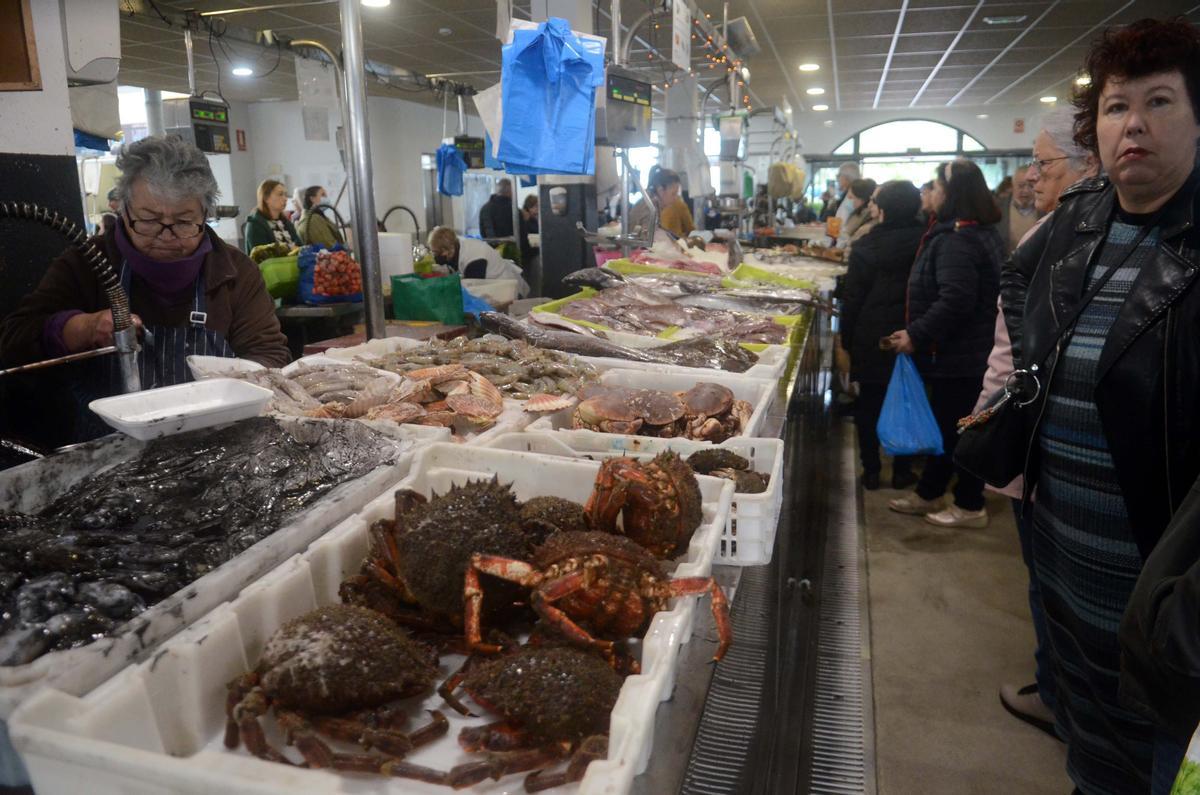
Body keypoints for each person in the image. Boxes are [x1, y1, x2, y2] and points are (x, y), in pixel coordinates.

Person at [999, 17, 1200, 794]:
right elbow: (1018, 282)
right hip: (1067, 579)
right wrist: (1030, 377)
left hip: (1167, 614)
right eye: (1117, 107)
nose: (1135, 125)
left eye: (1161, 102)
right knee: (1092, 768)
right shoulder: (1080, 220)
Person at [0, 136, 290, 442]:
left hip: (218, 442)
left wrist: (233, 394)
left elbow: (268, 354)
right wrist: (80, 329)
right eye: (149, 220)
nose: (166, 235)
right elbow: (13, 340)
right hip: (108, 454)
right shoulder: (86, 264)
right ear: (124, 210)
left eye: (183, 222)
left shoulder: (236, 273)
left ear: (205, 214)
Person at [975, 105, 1100, 739]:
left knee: (1055, 583)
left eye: (1043, 164)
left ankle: (1059, 695)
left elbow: (1018, 347)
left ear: (1090, 166)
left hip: (1054, 449)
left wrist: (989, 411)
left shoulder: (1055, 241)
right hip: (1049, 443)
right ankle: (1063, 691)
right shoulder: (1053, 236)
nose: (1031, 177)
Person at [886, 159, 1003, 528]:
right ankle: (929, 492)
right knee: (950, 426)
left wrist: (916, 334)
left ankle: (970, 504)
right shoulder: (969, 232)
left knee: (962, 430)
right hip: (965, 351)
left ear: (951, 194)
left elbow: (956, 299)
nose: (928, 193)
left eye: (933, 187)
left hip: (961, 354)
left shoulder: (958, 239)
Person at [839, 180, 925, 491]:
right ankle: (902, 471)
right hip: (913, 332)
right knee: (904, 402)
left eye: (876, 201)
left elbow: (853, 299)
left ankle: (871, 470)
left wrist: (846, 340)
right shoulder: (926, 242)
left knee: (869, 403)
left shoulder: (866, 247)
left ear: (884, 209)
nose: (872, 206)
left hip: (872, 334)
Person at [427, 226, 529, 297]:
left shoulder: (474, 259)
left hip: (504, 290)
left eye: (435, 253)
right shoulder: (455, 248)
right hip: (492, 289)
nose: (435, 256)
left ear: (446, 250)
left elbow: (472, 291)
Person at [629, 166, 696, 238]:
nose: (676, 198)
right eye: (673, 194)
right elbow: (648, 241)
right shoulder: (650, 207)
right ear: (661, 190)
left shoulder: (652, 201)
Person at [244, 179, 301, 253]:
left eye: (285, 195)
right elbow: (262, 257)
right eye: (280, 194)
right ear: (266, 198)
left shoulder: (286, 223)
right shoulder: (255, 225)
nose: (285, 199)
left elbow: (300, 247)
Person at [998, 165, 1039, 254]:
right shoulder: (998, 209)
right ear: (1012, 186)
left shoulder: (1046, 210)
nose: (1026, 190)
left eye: (1031, 186)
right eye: (1021, 186)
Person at [837, 178, 878, 249]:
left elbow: (848, 240)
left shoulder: (864, 216)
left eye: (851, 198)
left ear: (862, 199)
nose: (848, 201)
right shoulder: (858, 214)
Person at [519, 194, 539, 265]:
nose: (538, 209)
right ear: (529, 207)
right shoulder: (525, 220)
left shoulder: (535, 219)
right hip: (528, 253)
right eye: (536, 206)